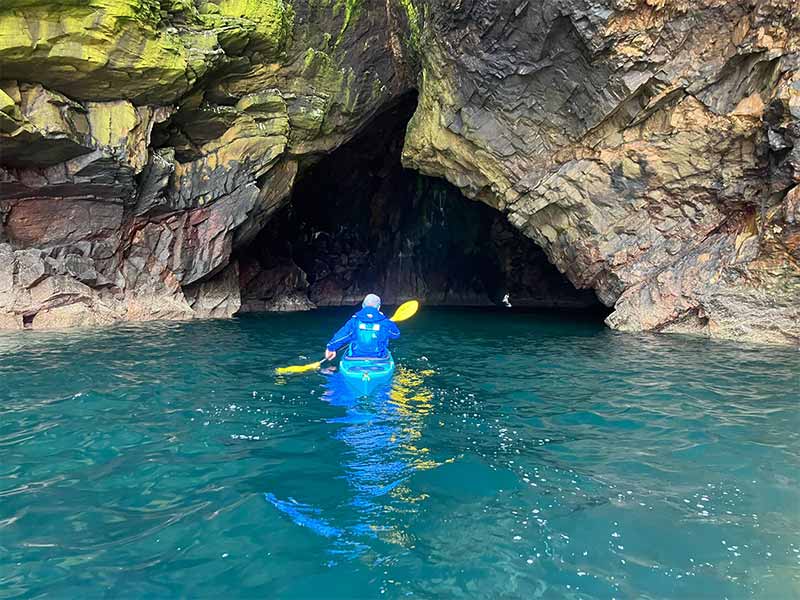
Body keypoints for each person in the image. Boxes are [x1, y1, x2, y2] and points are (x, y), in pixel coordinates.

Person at [325, 294, 400, 361]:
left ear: (363, 305)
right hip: (379, 358)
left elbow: (342, 335)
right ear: (379, 307)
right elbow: (396, 334)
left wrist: (330, 348)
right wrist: (390, 322)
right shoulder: (385, 322)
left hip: (355, 357)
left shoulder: (354, 320)